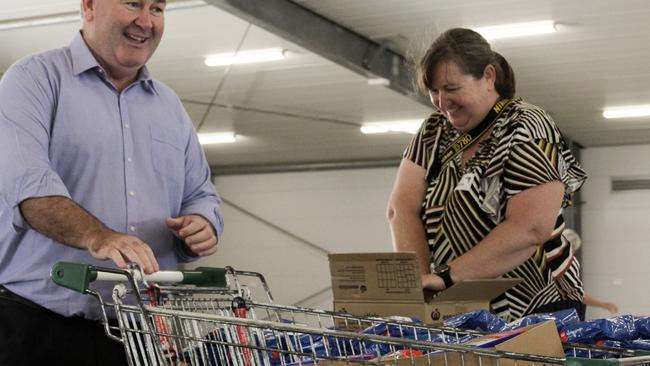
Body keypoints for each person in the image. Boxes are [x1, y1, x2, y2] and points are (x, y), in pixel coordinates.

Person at [0, 0, 223, 365]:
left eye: (157, 9)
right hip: (37, 328)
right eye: (133, 4)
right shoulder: (34, 79)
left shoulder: (169, 105)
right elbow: (28, 186)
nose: (145, 21)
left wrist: (203, 222)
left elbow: (200, 193)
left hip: (140, 334)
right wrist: (98, 236)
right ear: (89, 6)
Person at [387, 28, 587, 322]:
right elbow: (401, 209)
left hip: (535, 306)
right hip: (459, 308)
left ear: (488, 76)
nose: (442, 101)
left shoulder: (526, 125)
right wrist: (419, 282)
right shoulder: (432, 132)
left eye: (452, 88)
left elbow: (531, 228)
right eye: (434, 91)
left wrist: (447, 276)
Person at [563, 229, 620, 314]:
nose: (573, 254)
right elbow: (577, 294)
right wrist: (603, 304)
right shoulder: (562, 267)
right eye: (572, 249)